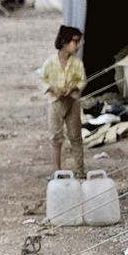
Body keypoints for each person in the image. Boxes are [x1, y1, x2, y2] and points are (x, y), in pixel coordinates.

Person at [40, 25, 86, 178]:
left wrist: (72, 88)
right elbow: (41, 79)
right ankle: (57, 172)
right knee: (56, 137)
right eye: (75, 42)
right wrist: (52, 89)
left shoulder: (77, 64)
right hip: (55, 102)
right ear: (65, 42)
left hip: (72, 102)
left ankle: (80, 171)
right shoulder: (51, 62)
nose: (78, 46)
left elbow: (82, 81)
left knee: (75, 136)